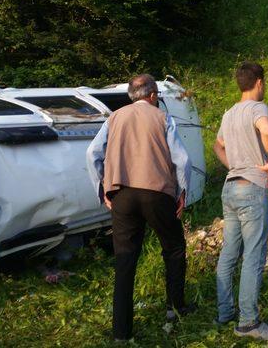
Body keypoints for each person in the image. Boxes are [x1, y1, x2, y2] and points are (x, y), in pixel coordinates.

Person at [86, 73, 192, 341]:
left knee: (125, 260)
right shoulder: (163, 118)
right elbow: (182, 160)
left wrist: (103, 189)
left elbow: (92, 154)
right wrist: (182, 192)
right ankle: (174, 307)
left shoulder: (114, 117)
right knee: (174, 247)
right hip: (156, 193)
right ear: (153, 95)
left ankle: (121, 332)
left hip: (121, 194)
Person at [213, 62, 268, 340]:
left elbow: (217, 145)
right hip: (252, 188)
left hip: (229, 188)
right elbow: (266, 130)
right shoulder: (257, 108)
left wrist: (233, 165)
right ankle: (248, 323)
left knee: (229, 252)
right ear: (258, 82)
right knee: (253, 256)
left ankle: (224, 312)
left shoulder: (229, 113)